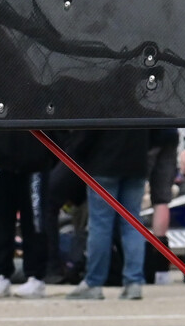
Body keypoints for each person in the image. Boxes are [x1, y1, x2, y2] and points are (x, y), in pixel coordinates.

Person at [62, 128, 157, 300]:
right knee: (132, 224)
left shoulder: (102, 101)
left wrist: (77, 151)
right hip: (136, 162)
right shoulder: (141, 102)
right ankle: (134, 282)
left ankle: (94, 282)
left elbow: (86, 134)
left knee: (100, 224)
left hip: (103, 162)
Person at [0, 125, 57, 297]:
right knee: (1, 219)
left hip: (35, 161)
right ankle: (1, 274)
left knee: (34, 220)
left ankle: (35, 277)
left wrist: (49, 148)